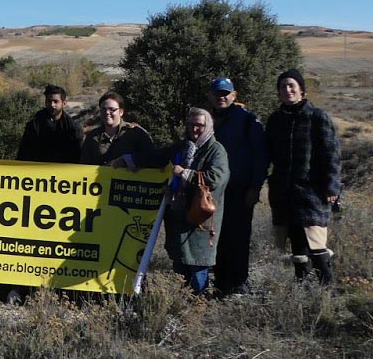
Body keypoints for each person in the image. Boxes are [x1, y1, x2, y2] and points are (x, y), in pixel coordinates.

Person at [140, 108, 230, 295]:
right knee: (180, 266)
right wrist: (128, 160)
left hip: (201, 220)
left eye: (199, 125)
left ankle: (199, 309)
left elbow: (216, 178)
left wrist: (185, 173)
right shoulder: (181, 147)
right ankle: (183, 309)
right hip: (178, 218)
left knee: (198, 267)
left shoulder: (215, 150)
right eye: (190, 124)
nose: (194, 129)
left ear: (208, 126)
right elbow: (157, 157)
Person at [265, 69, 341, 285]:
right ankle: (303, 290)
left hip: (312, 194)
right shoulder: (276, 119)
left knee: (316, 244)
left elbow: (332, 154)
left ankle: (327, 291)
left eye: (291, 85)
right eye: (283, 87)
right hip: (283, 194)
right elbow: (266, 154)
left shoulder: (318, 117)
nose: (287, 90)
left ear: (301, 89)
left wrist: (332, 188)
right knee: (296, 246)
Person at [208, 77, 268, 296]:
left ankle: (239, 282)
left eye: (225, 93)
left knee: (239, 236)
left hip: (240, 190)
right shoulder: (207, 119)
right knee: (216, 236)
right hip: (213, 191)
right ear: (210, 96)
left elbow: (260, 156)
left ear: (234, 95)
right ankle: (221, 282)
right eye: (217, 93)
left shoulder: (247, 120)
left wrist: (255, 187)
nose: (221, 97)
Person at [79, 91, 153, 168]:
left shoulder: (136, 133)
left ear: (121, 112)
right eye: (103, 109)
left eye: (112, 109)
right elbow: (84, 165)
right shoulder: (92, 136)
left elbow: (151, 158)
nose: (107, 112)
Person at [16, 84, 83, 163]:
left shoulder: (73, 128)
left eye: (56, 101)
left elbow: (78, 156)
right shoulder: (34, 125)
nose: (52, 105)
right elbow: (24, 153)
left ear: (64, 103)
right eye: (49, 101)